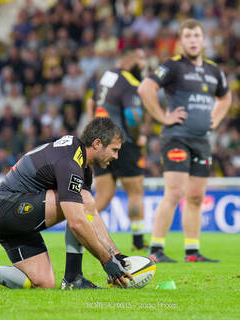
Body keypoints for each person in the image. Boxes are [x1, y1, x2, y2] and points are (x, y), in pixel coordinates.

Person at [0, 117, 133, 289]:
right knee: (79, 204)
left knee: (43, 283)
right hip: (6, 207)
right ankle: (73, 278)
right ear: (97, 143)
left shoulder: (80, 161)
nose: (116, 156)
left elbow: (91, 214)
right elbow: (77, 221)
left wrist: (115, 254)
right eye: (114, 150)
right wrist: (106, 260)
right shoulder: (70, 163)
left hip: (13, 213)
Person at [138, 19, 232, 263]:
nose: (192, 40)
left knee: (196, 197)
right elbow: (145, 88)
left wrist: (217, 118)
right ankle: (156, 249)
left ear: (203, 40)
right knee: (175, 192)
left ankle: (192, 251)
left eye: (196, 35)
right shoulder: (173, 67)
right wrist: (162, 116)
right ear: (180, 42)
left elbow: (226, 97)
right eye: (187, 36)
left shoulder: (214, 71)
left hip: (202, 140)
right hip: (176, 138)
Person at [86, 47, 148, 251]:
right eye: (141, 61)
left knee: (103, 195)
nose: (144, 66)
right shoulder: (130, 82)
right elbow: (132, 115)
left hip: (100, 143)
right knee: (135, 191)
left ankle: (81, 229)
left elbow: (90, 102)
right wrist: (138, 137)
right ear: (130, 61)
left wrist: (94, 130)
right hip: (122, 143)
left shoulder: (107, 77)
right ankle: (138, 242)